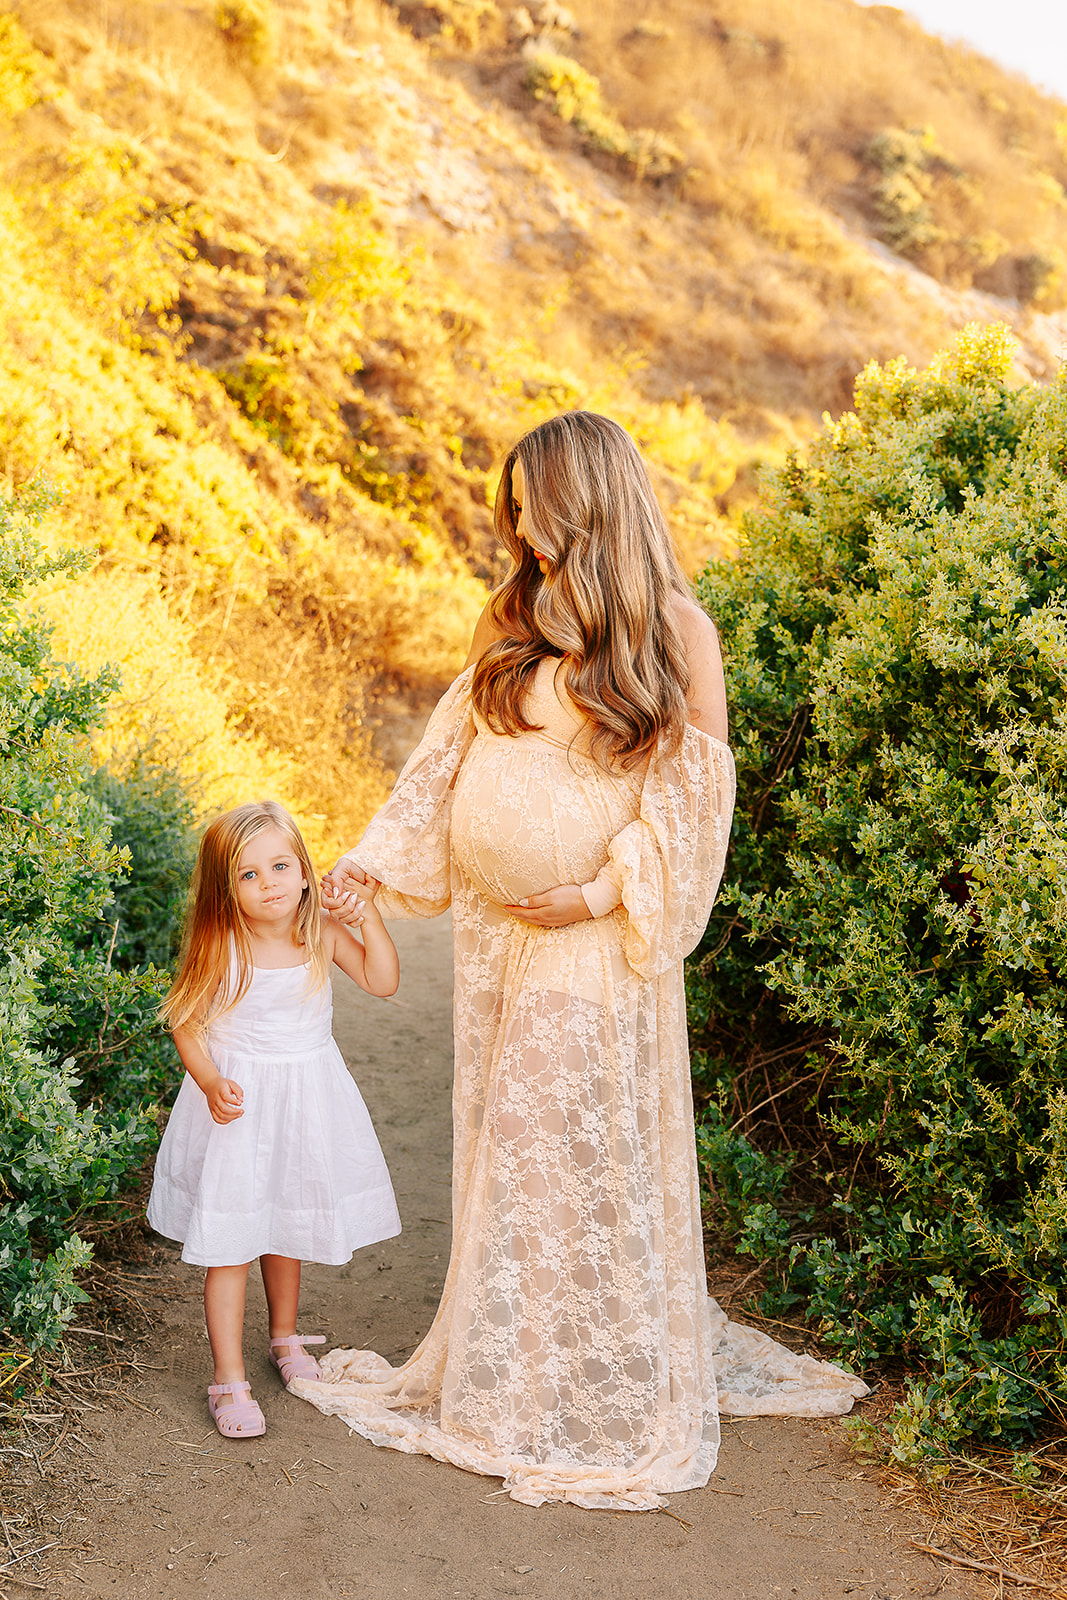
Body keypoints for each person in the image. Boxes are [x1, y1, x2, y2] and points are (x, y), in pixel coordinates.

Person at [299, 412, 866, 1509]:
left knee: (554, 1135)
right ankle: (523, 1356)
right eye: (510, 503)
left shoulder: (675, 633)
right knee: (511, 1139)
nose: (515, 521)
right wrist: (372, 861)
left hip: (593, 933)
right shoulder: (506, 616)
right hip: (500, 937)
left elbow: (696, 803)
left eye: (532, 501)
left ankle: (564, 1388)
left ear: (589, 498)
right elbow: (444, 756)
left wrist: (600, 892)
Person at [147, 800, 402, 1440]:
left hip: (305, 1105)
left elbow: (382, 979)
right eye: (249, 875)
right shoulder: (222, 944)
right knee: (230, 1243)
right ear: (224, 889)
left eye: (281, 866)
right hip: (237, 1112)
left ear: (306, 869)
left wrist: (365, 913)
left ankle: (285, 1339)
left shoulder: (315, 933)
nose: (271, 885)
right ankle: (227, 1377)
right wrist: (208, 1080)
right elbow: (186, 1021)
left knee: (285, 1227)